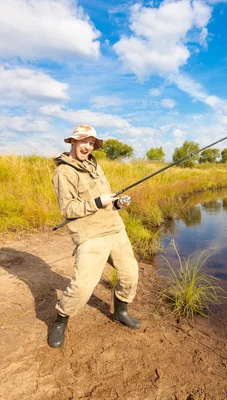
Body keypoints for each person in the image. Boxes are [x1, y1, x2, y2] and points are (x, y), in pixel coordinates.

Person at [48, 124, 140, 349]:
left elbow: (105, 199)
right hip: (90, 234)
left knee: (130, 274)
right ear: (73, 142)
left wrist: (117, 203)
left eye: (91, 143)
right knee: (82, 287)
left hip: (115, 228)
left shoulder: (95, 166)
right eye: (83, 141)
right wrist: (98, 202)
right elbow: (68, 210)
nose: (87, 146)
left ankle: (121, 311)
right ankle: (60, 319)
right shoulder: (64, 172)